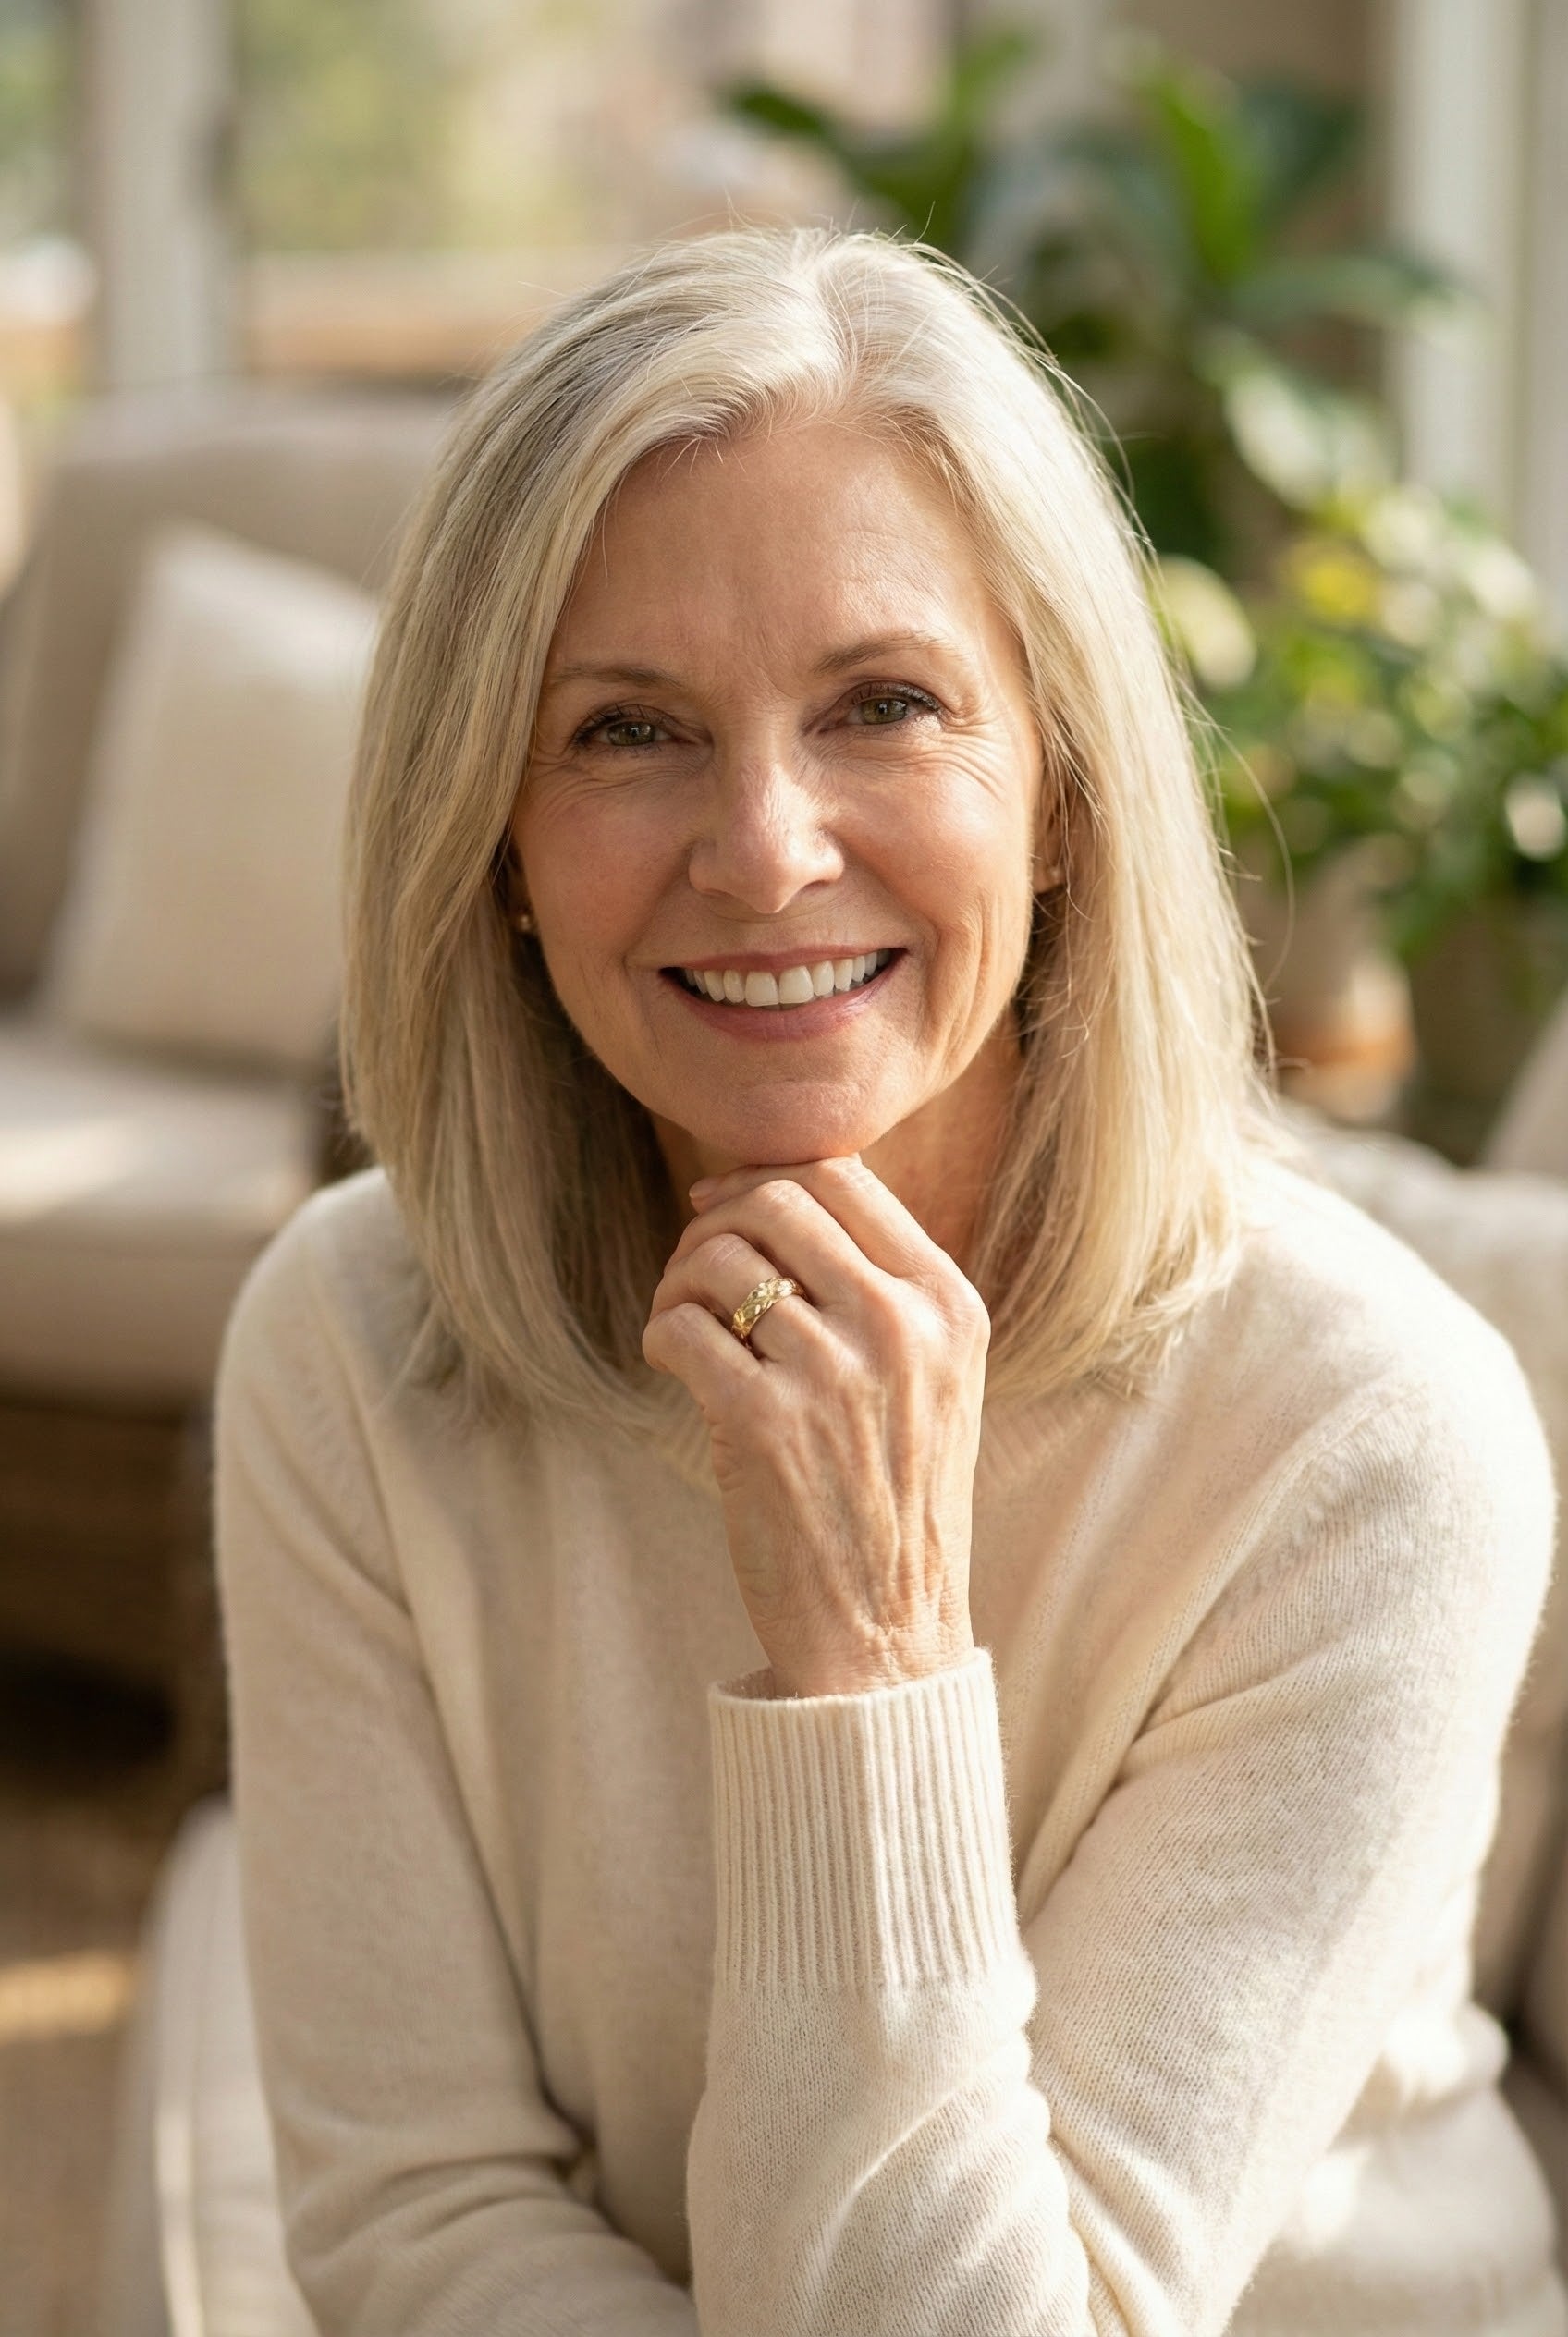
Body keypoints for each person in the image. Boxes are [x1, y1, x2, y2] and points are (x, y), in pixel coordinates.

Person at [214, 226, 1566, 2335]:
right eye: (626, 730)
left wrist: (867, 1658)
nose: (761, 847)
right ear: (489, 835)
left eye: (883, 704)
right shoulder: (344, 1344)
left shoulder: (1377, 1440)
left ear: (1056, 796)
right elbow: (422, 2227)